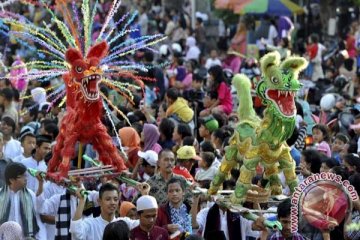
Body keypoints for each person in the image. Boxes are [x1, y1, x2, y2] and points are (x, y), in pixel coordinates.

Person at [70, 183, 142, 240]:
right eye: (108, 199)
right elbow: (76, 232)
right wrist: (82, 200)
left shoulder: (124, 222)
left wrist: (145, 194)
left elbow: (145, 224)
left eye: (115, 199)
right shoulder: (90, 224)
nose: (112, 202)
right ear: (99, 201)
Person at [0, 162, 46, 239]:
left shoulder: (30, 194)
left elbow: (39, 213)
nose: (26, 179)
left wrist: (41, 183)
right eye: (22, 176)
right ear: (11, 180)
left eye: (26, 175)